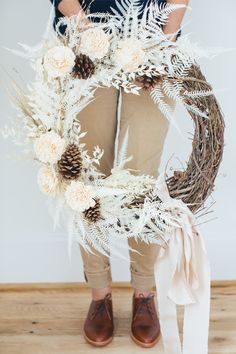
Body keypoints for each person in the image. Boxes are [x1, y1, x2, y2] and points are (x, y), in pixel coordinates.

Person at [49, 0, 189, 348]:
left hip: (153, 48)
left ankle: (145, 292)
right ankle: (100, 295)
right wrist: (86, 31)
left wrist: (163, 46)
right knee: (86, 179)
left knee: (141, 180)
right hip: (83, 48)